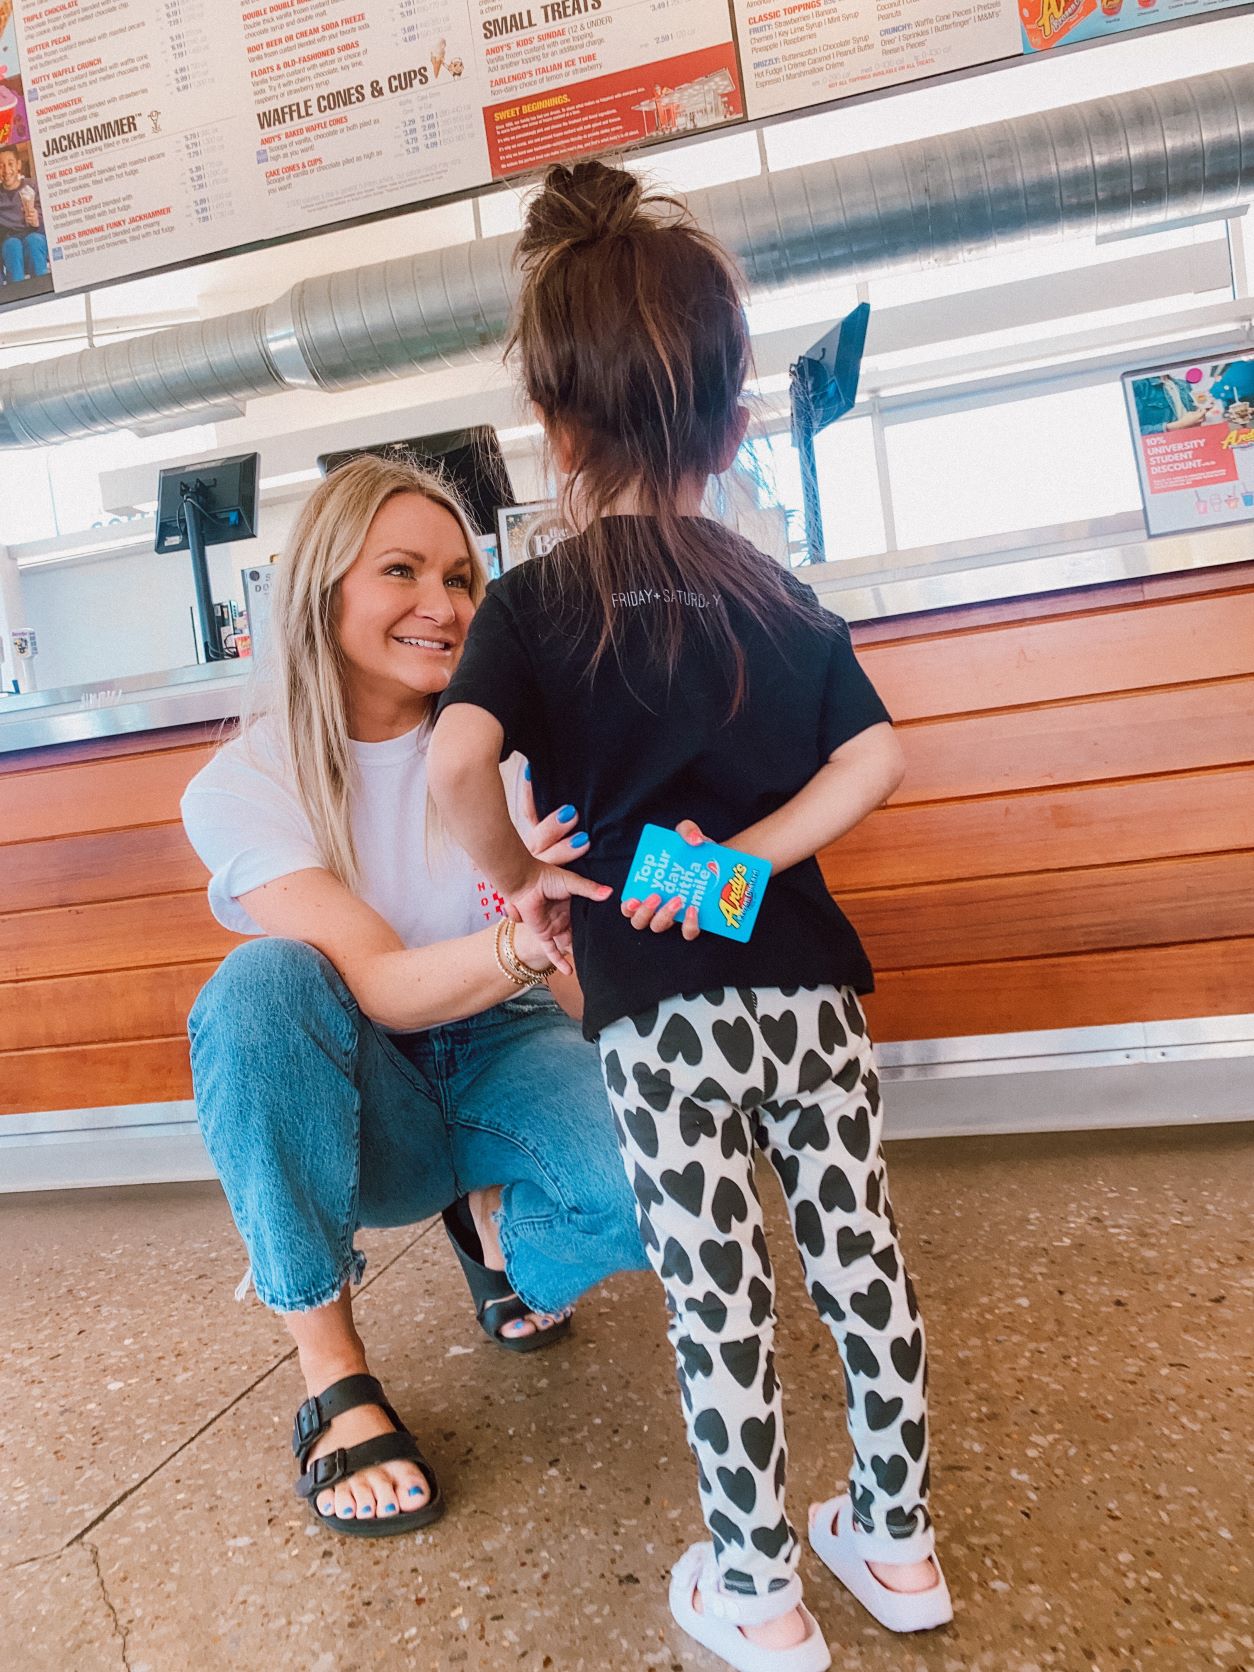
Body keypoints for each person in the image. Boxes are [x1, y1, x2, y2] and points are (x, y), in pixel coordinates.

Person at [429, 161, 952, 1672]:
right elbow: (877, 756)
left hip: (657, 1019)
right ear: (731, 426)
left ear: (552, 425)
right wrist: (749, 864)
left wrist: (527, 877)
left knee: (716, 1292)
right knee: (858, 1259)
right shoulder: (773, 589)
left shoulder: (536, 602)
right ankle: (898, 1544)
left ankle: (758, 1589)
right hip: (809, 994)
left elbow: (457, 764)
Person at [181, 453, 646, 1540]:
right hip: (362, 1082)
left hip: (507, 1039)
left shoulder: (511, 755)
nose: (442, 605)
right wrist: (522, 935)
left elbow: (577, 985)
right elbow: (382, 984)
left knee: (650, 1186)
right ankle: (332, 1370)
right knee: (260, 982)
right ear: (322, 588)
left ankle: (496, 1235)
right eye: (401, 570)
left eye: (461, 578)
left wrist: (607, 963)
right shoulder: (242, 784)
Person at [0, 144, 47, 283]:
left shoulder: (32, 186)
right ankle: (18, 293)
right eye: (1, 166)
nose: (6, 170)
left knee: (34, 241)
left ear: (19, 165)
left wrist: (37, 220)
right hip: (9, 241)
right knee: (12, 246)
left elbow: (51, 221)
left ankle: (41, 289)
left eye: (10, 164)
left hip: (35, 236)